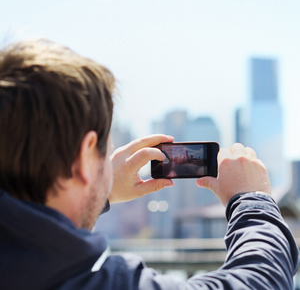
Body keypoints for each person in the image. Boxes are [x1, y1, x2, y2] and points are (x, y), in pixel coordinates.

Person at [0, 39, 298, 290]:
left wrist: (98, 190)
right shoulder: (96, 281)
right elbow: (261, 281)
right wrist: (252, 201)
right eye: (106, 152)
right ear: (85, 156)